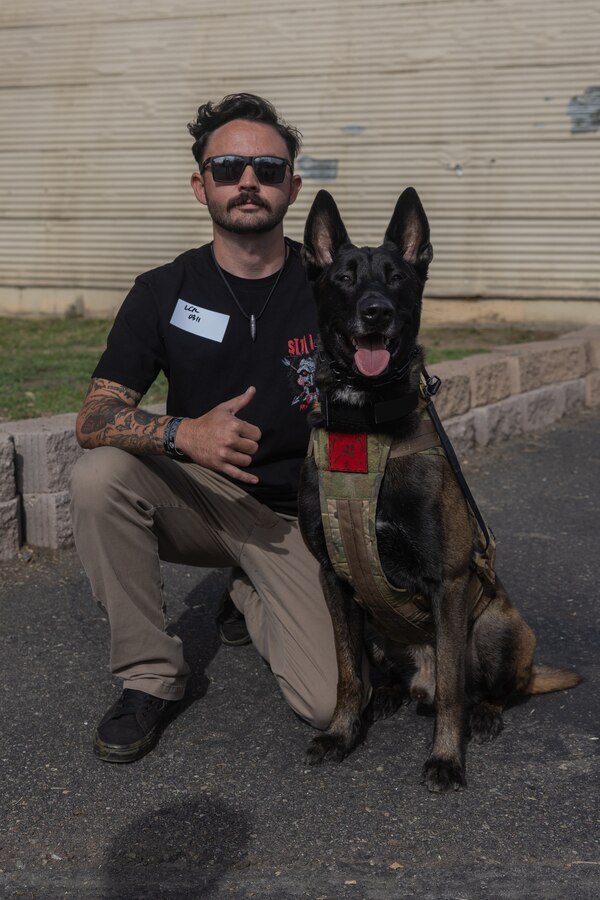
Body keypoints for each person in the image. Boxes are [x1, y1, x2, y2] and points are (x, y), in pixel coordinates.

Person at [70, 93, 357, 764]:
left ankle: (248, 586)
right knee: (98, 477)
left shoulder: (331, 288)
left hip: (295, 517)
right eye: (228, 167)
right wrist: (183, 436)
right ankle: (149, 676)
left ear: (293, 184)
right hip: (201, 498)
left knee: (327, 702)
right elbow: (93, 417)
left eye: (266, 166)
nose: (247, 180)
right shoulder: (163, 290)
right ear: (202, 185)